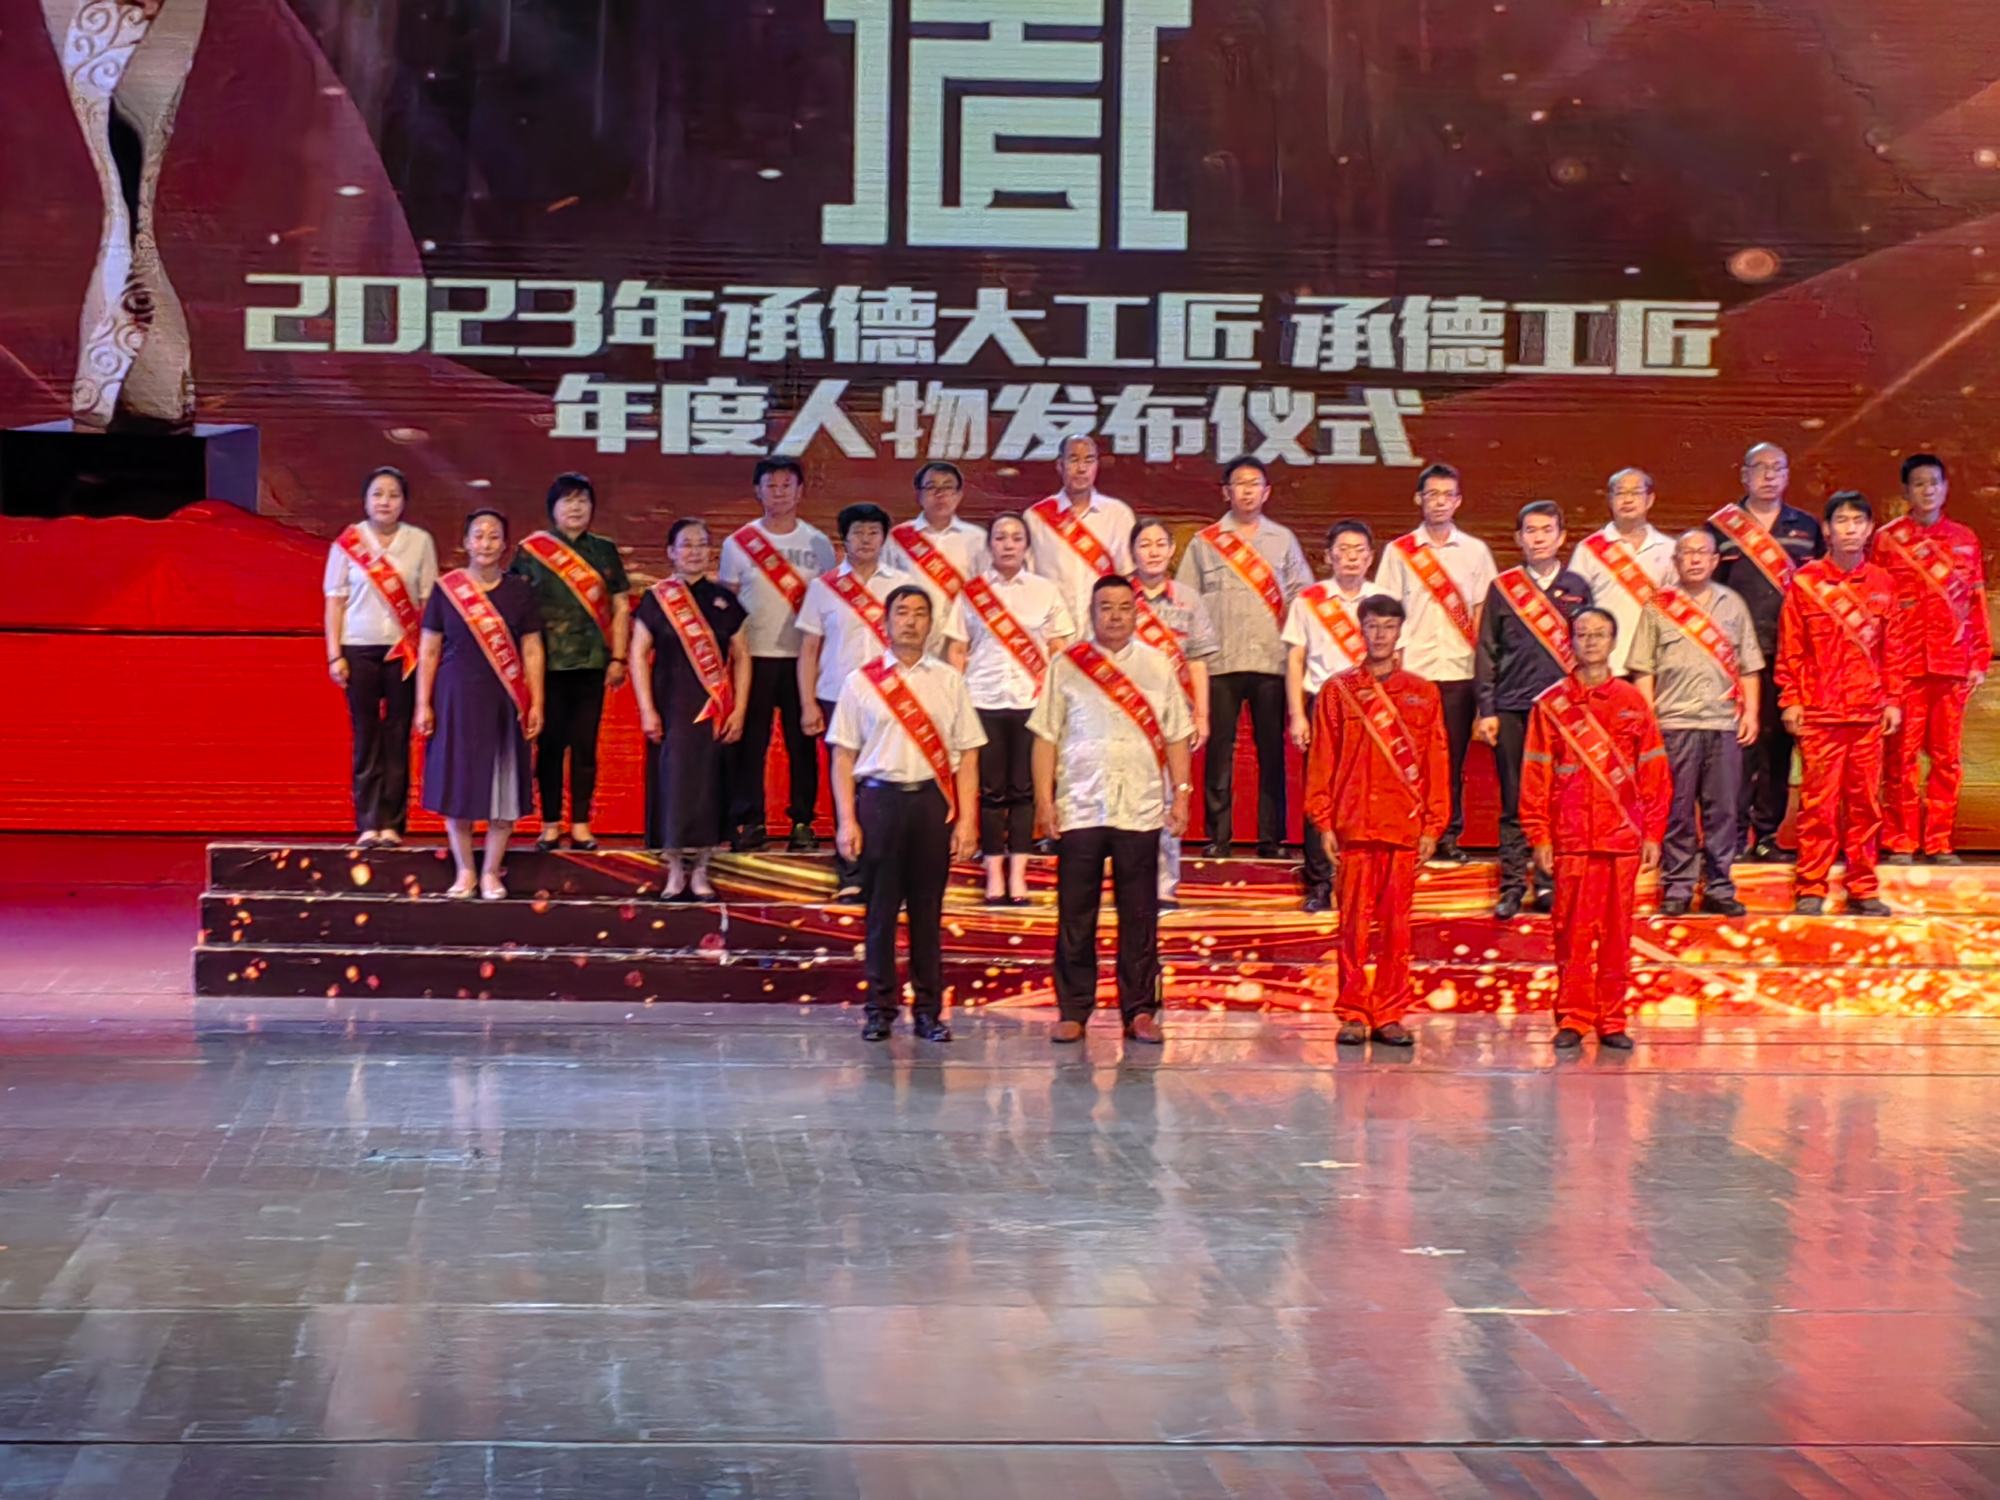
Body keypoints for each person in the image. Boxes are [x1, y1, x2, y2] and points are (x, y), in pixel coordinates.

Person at [1030, 576, 1196, 1046]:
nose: (1116, 616)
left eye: (1124, 607)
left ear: (1137, 612)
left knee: (1140, 913)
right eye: (1106, 607)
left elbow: (1177, 734)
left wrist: (1182, 793)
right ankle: (1073, 1009)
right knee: (1075, 914)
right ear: (1092, 612)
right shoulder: (1067, 664)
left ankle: (1139, 1010)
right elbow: (1045, 736)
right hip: (1080, 806)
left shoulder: (1157, 664)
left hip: (1139, 807)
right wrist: (1044, 800)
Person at [828, 586, 984, 1042]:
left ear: (931, 624)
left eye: (919, 613)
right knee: (879, 913)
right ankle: (880, 1009)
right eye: (902, 613)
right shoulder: (861, 682)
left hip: (931, 804)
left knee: (926, 913)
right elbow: (843, 756)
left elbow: (968, 755)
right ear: (886, 622)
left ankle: (929, 1012)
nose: (911, 621)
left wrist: (967, 820)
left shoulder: (949, 681)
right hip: (879, 804)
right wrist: (846, 820)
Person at [1302, 595, 1450, 1048]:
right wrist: (1323, 821)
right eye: (1373, 626)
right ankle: (1352, 1011)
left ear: (1400, 631)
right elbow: (1322, 758)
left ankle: (1390, 1012)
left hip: (1402, 826)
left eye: (1388, 626)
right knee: (1352, 925)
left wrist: (1433, 824)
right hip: (1354, 825)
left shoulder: (1423, 692)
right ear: (1360, 630)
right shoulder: (1338, 690)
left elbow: (1436, 758)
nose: (1381, 634)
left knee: (1397, 928)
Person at [1520, 608, 1671, 1051]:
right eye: (1582, 634)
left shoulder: (1632, 701)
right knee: (1571, 933)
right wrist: (1539, 835)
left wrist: (1653, 833)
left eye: (1599, 634)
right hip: (1571, 838)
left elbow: (1654, 772)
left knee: (1617, 935)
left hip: (1621, 838)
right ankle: (1573, 1016)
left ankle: (1612, 1019)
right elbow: (1535, 774)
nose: (1590, 641)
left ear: (1613, 642)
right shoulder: (1551, 705)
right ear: (1571, 642)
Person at [1176, 455, 1314, 859]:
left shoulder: (1283, 540)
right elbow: (1185, 601)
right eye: (1240, 484)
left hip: (1271, 661)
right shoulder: (1205, 542)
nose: (1248, 491)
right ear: (1226, 492)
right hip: (1219, 662)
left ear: (1266, 492)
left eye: (1255, 484)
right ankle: (1217, 838)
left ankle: (1272, 840)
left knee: (1271, 752)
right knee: (1219, 752)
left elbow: (1303, 599)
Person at [1779, 491, 1907, 916]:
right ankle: (1811, 886)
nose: (1850, 529)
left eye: (1858, 521)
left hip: (1868, 714)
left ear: (1869, 530)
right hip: (1820, 713)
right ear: (1827, 530)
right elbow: (1791, 649)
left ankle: (1863, 886)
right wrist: (1791, 700)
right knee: (1818, 804)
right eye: (1842, 521)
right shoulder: (1806, 582)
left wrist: (1892, 699)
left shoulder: (1884, 583)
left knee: (1865, 804)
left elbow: (1894, 649)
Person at [1627, 530, 1763, 917]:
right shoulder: (1659, 605)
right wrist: (1649, 720)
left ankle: (1719, 886)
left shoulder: (1733, 604)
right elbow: (1643, 668)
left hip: (1722, 724)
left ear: (1715, 561)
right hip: (1674, 722)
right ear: (1676, 561)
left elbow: (1749, 667)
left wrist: (1751, 713)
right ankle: (1678, 886)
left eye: (1703, 553)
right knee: (1678, 808)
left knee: (1724, 810)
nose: (1695, 559)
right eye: (1687, 553)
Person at [797, 504, 928, 899]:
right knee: (846, 787)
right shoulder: (824, 587)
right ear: (844, 538)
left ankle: (889, 874)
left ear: (884, 538)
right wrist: (807, 703)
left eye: (873, 532)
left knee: (886, 786)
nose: (866, 539)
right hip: (837, 697)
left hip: (892, 699)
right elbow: (809, 650)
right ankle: (851, 874)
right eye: (858, 532)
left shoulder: (902, 585)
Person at [415, 509, 546, 900]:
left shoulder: (520, 591)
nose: (485, 543)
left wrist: (536, 702)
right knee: (458, 785)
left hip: (506, 701)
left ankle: (491, 872)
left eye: (494, 537)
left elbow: (533, 650)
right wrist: (423, 703)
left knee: (503, 791)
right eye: (478, 535)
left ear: (505, 545)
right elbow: (429, 649)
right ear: (466, 542)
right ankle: (465, 871)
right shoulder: (447, 590)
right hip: (455, 698)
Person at [1474, 501, 1594, 919]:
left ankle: (1548, 883)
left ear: (1562, 537)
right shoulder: (1504, 588)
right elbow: (1486, 650)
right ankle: (1511, 885)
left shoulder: (1578, 586)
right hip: (1511, 708)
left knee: (1558, 800)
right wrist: (1486, 708)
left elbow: (1590, 648)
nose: (1539, 538)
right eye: (1531, 530)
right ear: (1518, 538)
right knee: (1513, 799)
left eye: (1547, 530)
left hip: (1564, 714)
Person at [1373, 462, 1498, 862]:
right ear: (1418, 499)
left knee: (1451, 760)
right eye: (1432, 495)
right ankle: (1407, 829)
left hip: (1459, 670)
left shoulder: (1475, 551)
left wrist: (1483, 669)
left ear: (1458, 501)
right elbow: (1386, 611)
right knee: (1409, 757)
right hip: (1414, 673)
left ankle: (1447, 834)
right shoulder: (1399, 552)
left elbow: (1481, 613)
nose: (1440, 502)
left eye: (1447, 495)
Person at [1708, 442, 1826, 861]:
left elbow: (1822, 587)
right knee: (1737, 747)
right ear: (1744, 475)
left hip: (1790, 654)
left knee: (1778, 746)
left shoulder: (1807, 528)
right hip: (1735, 659)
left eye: (1777, 467)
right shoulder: (1720, 529)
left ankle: (1768, 835)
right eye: (1760, 467)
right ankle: (1732, 835)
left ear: (1788, 475)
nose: (1769, 475)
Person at [1874, 453, 1990, 864]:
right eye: (1919, 484)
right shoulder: (1886, 540)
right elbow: (1874, 603)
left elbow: (1975, 603)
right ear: (1906, 491)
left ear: (1945, 488)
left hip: (1951, 664)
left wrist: (1979, 657)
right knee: (1900, 758)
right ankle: (1901, 840)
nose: (1928, 490)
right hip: (1904, 665)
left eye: (1935, 483)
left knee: (1946, 758)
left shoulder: (1964, 539)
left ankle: (1939, 841)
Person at [718, 457, 837, 854]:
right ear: (758, 490)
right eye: (771, 485)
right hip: (753, 658)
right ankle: (749, 821)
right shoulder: (738, 543)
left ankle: (802, 822)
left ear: (800, 491)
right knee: (750, 744)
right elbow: (728, 604)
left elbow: (830, 601)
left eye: (787, 485)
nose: (779, 492)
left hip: (804, 659)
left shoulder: (818, 543)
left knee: (802, 744)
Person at [958, 512, 1075, 905]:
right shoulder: (971, 593)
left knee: (1024, 790)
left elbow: (1059, 649)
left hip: (1031, 701)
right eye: (1000, 537)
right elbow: (957, 650)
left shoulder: (1045, 591)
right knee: (991, 791)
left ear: (1027, 546)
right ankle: (994, 873)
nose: (1008, 544)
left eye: (1016, 538)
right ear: (989, 545)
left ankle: (1019, 875)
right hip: (982, 699)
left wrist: (1056, 697)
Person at [631, 519, 751, 900]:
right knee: (673, 786)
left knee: (708, 787)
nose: (694, 551)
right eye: (686, 544)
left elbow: (742, 657)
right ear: (671, 551)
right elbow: (637, 654)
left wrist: (739, 710)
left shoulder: (724, 599)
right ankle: (673, 870)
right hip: (671, 707)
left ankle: (701, 869)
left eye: (701, 544)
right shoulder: (656, 599)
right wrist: (646, 709)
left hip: (714, 710)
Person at [510, 473, 630, 851]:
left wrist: (619, 657)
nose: (575, 508)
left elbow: (620, 606)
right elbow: (515, 606)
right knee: (548, 746)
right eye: (567, 500)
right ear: (553, 508)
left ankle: (580, 824)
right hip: (545, 666)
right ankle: (549, 824)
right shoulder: (532, 552)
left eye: (582, 500)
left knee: (584, 746)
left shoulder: (605, 550)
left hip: (592, 662)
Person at [322, 465, 438, 848]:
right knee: (366, 734)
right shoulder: (347, 544)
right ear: (365, 500)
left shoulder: (420, 541)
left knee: (398, 735)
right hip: (358, 648)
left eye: (393, 495)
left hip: (404, 650)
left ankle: (392, 825)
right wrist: (334, 655)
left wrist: (427, 653)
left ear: (404, 502)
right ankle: (368, 822)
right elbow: (335, 602)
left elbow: (428, 603)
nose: (385, 502)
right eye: (378, 494)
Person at [1285, 519, 1374, 910]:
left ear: (1370, 557)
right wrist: (1297, 715)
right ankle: (1319, 882)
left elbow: (1397, 657)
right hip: (1320, 702)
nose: (1350, 558)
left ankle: (1363, 878)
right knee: (1319, 795)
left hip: (1370, 706)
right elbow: (1295, 659)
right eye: (1343, 550)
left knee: (1366, 793)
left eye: (1358, 551)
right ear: (1328, 556)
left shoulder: (1382, 600)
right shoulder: (1309, 600)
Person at [1131, 517, 1217, 905]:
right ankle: (1129, 880)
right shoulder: (1119, 596)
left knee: (1168, 799)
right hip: (1127, 712)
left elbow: (1197, 660)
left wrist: (1201, 715)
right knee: (1128, 799)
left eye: (1159, 544)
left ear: (1170, 551)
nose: (1152, 552)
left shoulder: (1188, 599)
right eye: (1144, 544)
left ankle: (1165, 883)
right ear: (1133, 551)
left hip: (1174, 713)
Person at [1567, 468, 1676, 677]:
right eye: (1620, 493)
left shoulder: (1669, 549)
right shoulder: (1589, 549)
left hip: (1654, 666)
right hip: (1606, 665)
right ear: (1610, 500)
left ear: (1650, 499)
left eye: (1635, 492)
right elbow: (1573, 607)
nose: (1627, 499)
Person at [1026, 434, 1136, 630]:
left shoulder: (1118, 515)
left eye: (1089, 460)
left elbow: (1128, 577)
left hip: (1104, 631)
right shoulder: (1035, 518)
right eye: (1074, 460)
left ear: (1097, 465)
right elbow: (1028, 580)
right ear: (1060, 465)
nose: (1082, 468)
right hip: (1053, 631)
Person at [883, 461, 989, 655]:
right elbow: (885, 591)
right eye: (931, 487)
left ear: (959, 495)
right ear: (919, 495)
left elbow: (986, 592)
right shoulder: (898, 538)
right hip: (909, 638)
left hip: (960, 642)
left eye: (947, 487)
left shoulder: (977, 539)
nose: (940, 494)